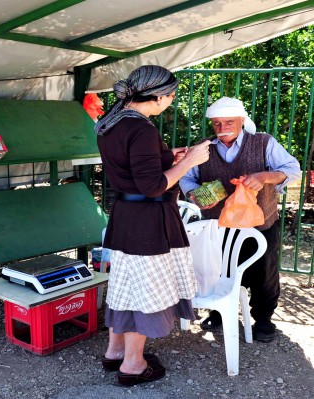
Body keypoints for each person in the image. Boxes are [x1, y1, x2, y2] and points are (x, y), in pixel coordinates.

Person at [96, 65, 211, 386]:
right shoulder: (142, 128)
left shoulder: (113, 121)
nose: (171, 101)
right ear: (159, 96)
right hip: (147, 221)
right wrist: (189, 162)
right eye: (171, 95)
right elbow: (151, 186)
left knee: (125, 285)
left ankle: (115, 350)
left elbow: (133, 168)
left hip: (126, 217)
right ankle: (133, 364)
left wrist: (166, 156)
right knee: (143, 290)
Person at [180, 97, 301, 343]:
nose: (222, 127)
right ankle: (218, 312)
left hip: (259, 224)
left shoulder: (263, 142)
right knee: (217, 268)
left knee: (263, 272)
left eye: (229, 122)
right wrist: (194, 194)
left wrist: (265, 176)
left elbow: (293, 169)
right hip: (218, 225)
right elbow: (186, 176)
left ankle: (264, 319)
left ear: (242, 121)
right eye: (216, 123)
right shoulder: (204, 147)